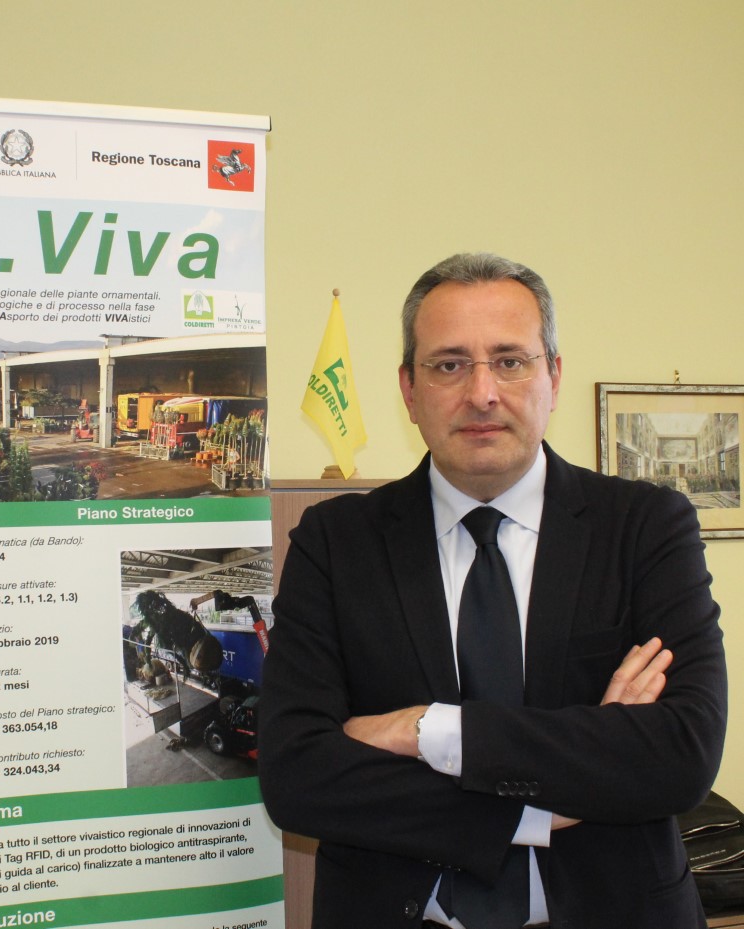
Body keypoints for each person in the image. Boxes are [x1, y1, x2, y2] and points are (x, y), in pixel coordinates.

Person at [258, 253, 727, 929]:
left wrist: (426, 729)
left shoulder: (645, 527)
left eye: (510, 361)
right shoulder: (336, 542)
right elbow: (297, 776)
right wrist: (543, 801)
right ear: (409, 389)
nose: (482, 393)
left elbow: (681, 752)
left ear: (553, 376)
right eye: (449, 364)